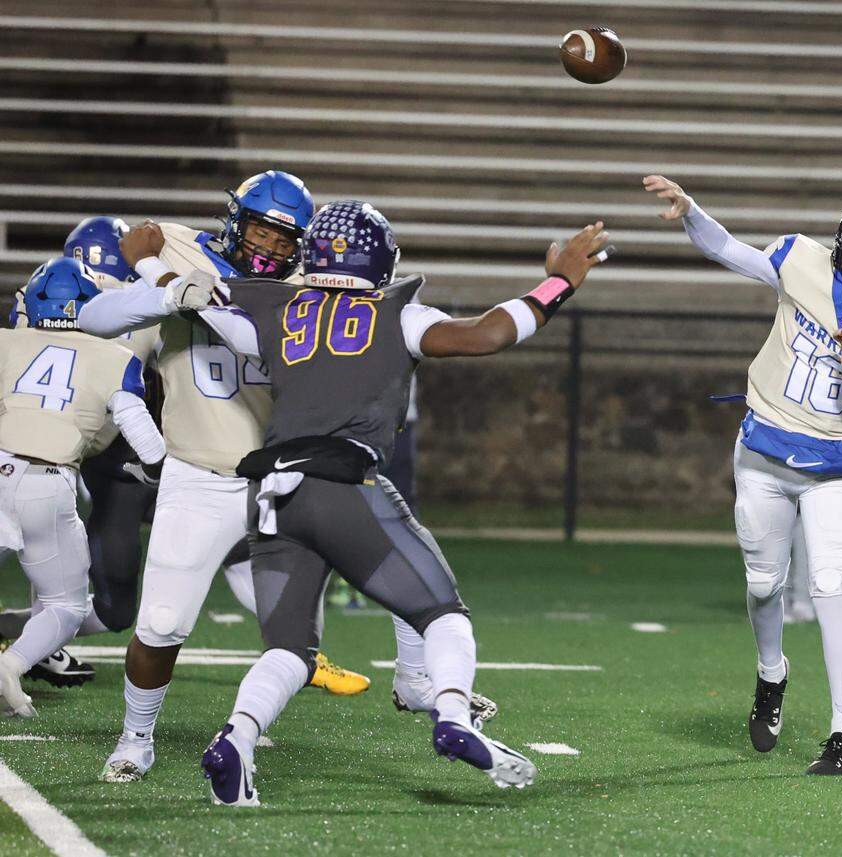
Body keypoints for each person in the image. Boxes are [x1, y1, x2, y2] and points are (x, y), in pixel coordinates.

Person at [101, 199, 609, 804]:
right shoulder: (399, 314)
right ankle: (453, 715)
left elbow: (197, 300)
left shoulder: (271, 306)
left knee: (290, 650)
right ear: (382, 260)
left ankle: (236, 739)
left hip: (273, 496)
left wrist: (150, 264)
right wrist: (559, 283)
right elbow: (490, 334)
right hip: (341, 481)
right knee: (442, 612)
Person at [76, 172, 369, 784]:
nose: (270, 248)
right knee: (161, 623)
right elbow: (96, 318)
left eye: (285, 240)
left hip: (282, 482)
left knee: (301, 633)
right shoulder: (180, 252)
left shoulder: (306, 288)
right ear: (236, 221)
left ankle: (427, 687)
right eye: (261, 231)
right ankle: (136, 738)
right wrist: (166, 292)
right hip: (200, 473)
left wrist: (178, 283)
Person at [645, 174, 842, 775]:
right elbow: (728, 249)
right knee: (762, 585)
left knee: (831, 589)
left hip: (833, 469)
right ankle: (771, 672)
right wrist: (691, 210)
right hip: (764, 453)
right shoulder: (802, 261)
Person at [0, 258, 166, 716]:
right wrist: (154, 474)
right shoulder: (114, 358)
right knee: (65, 606)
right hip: (47, 484)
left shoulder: (7, 341)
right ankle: (11, 665)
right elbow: (147, 441)